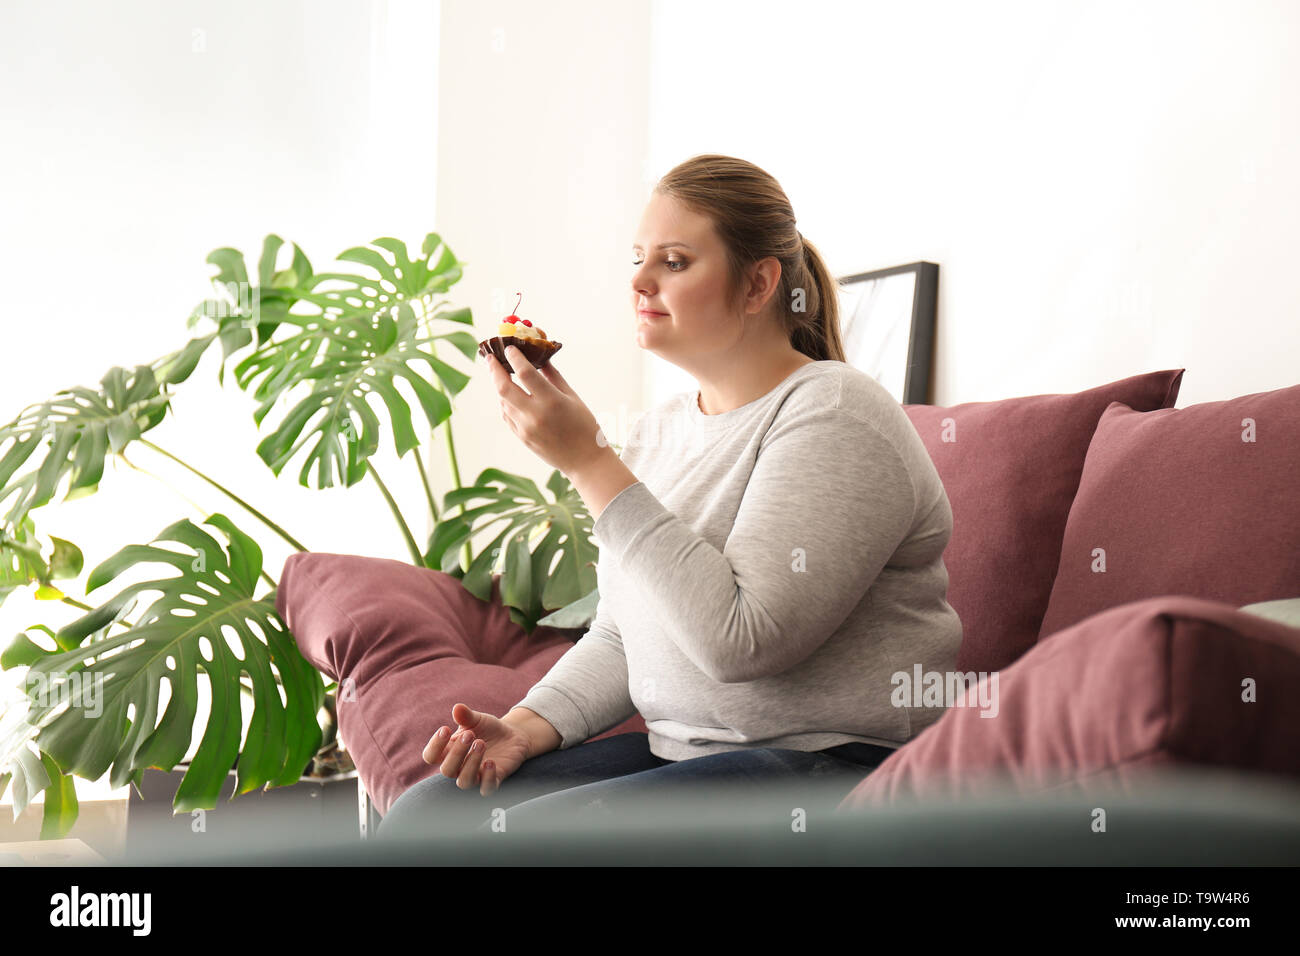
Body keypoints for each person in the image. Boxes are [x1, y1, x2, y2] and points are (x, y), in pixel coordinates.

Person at [377, 154, 962, 840]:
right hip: (687, 759)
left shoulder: (834, 413)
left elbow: (743, 643)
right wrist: (526, 727)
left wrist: (589, 464)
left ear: (758, 285)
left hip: (832, 768)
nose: (639, 280)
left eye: (675, 261)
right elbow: (629, 632)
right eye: (637, 258)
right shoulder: (658, 431)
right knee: (426, 820)